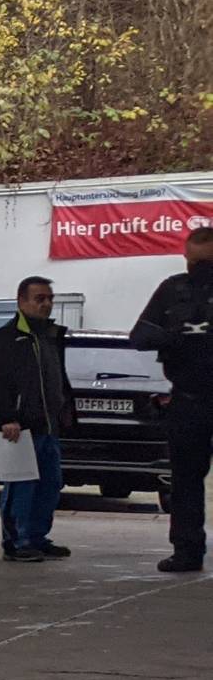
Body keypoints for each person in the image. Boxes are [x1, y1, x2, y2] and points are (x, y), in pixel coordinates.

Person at [130, 225, 213, 572]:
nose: (200, 272)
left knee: (186, 480)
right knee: (185, 481)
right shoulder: (172, 290)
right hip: (189, 399)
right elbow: (139, 336)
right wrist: (173, 339)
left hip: (194, 397)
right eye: (196, 263)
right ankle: (187, 550)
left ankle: (188, 549)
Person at [0, 276, 72, 563]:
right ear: (21, 301)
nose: (46, 304)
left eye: (49, 298)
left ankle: (36, 537)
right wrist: (8, 418)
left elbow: (58, 377)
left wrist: (66, 410)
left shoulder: (51, 337)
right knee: (21, 486)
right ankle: (15, 542)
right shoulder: (7, 338)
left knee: (50, 485)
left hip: (49, 427)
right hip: (20, 429)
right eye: (39, 299)